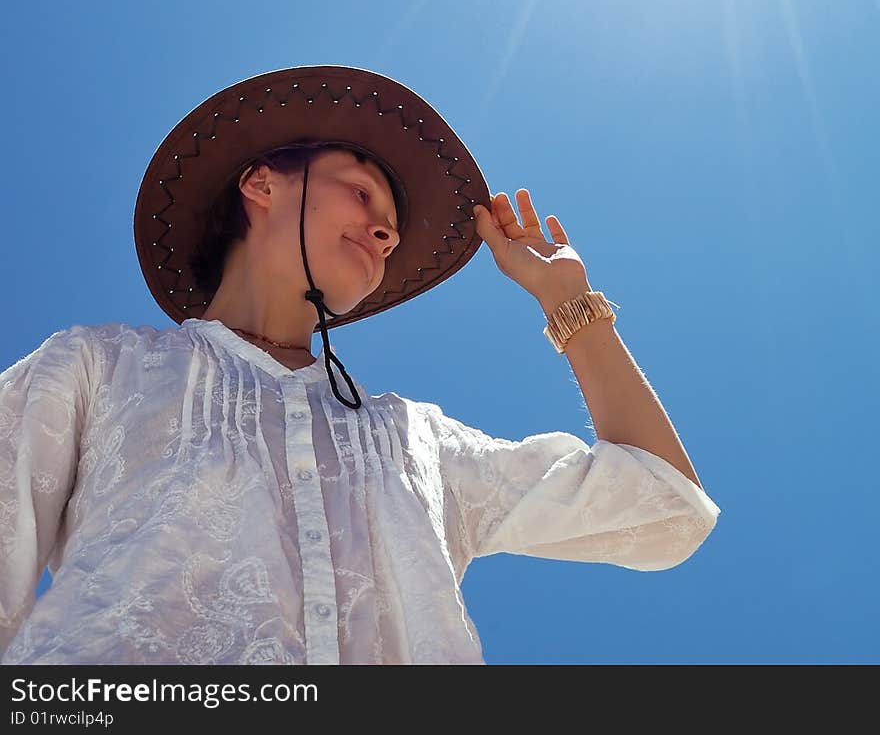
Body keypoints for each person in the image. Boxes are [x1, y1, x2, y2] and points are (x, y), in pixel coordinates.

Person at [0, 64, 720, 665]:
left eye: (394, 231)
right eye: (362, 192)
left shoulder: (420, 443)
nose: (384, 233)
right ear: (263, 185)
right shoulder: (96, 368)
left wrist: (569, 302)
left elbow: (666, 509)